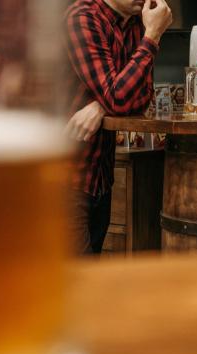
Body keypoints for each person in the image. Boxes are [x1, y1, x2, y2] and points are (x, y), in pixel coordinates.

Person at [65, 0, 172, 255]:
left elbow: (143, 95)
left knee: (90, 278)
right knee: (77, 281)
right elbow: (118, 97)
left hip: (100, 177)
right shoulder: (83, 18)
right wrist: (153, 36)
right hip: (66, 177)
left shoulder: (135, 25)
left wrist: (99, 107)